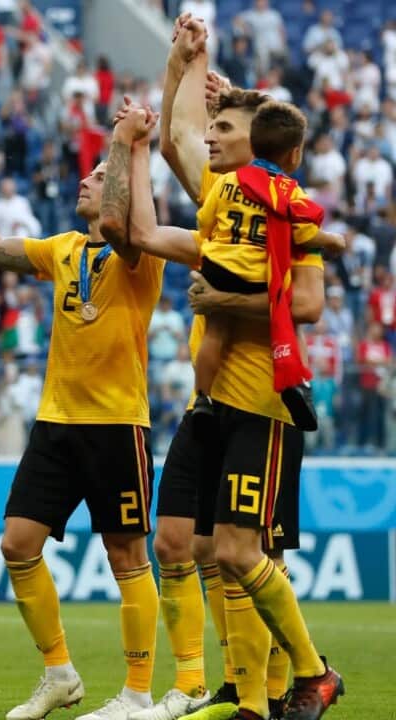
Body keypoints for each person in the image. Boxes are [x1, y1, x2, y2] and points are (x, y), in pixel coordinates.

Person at [147, 17, 343, 720]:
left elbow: (310, 305)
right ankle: (251, 699)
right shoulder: (219, 198)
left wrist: (222, 295)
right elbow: (176, 136)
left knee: (248, 553)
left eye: (227, 129)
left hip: (265, 398)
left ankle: (306, 677)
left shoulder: (290, 214)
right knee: (211, 549)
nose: (211, 138)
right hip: (212, 400)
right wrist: (181, 66)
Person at [0, 122, 166, 720]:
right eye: (89, 171)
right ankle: (60, 673)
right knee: (18, 545)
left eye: (98, 176)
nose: (85, 178)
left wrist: (124, 144)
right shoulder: (64, 248)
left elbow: (122, 224)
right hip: (56, 422)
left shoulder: (139, 255)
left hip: (117, 422)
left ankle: (138, 692)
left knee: (127, 556)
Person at [186, 100, 338, 435]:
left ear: (252, 144)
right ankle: (299, 385)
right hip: (260, 274)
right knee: (286, 316)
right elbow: (305, 233)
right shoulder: (291, 193)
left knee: (215, 333)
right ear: (295, 155)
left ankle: (202, 399)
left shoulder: (229, 182)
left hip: (220, 268)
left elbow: (204, 220)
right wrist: (334, 242)